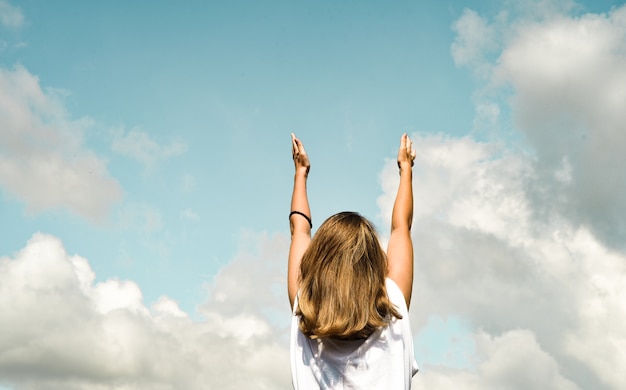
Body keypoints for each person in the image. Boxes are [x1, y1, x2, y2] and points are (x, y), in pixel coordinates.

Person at [288, 133, 419, 389]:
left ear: (319, 260)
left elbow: (299, 229)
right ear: (373, 263)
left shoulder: (304, 306)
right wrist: (406, 169)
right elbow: (401, 227)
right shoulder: (393, 304)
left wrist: (301, 173)